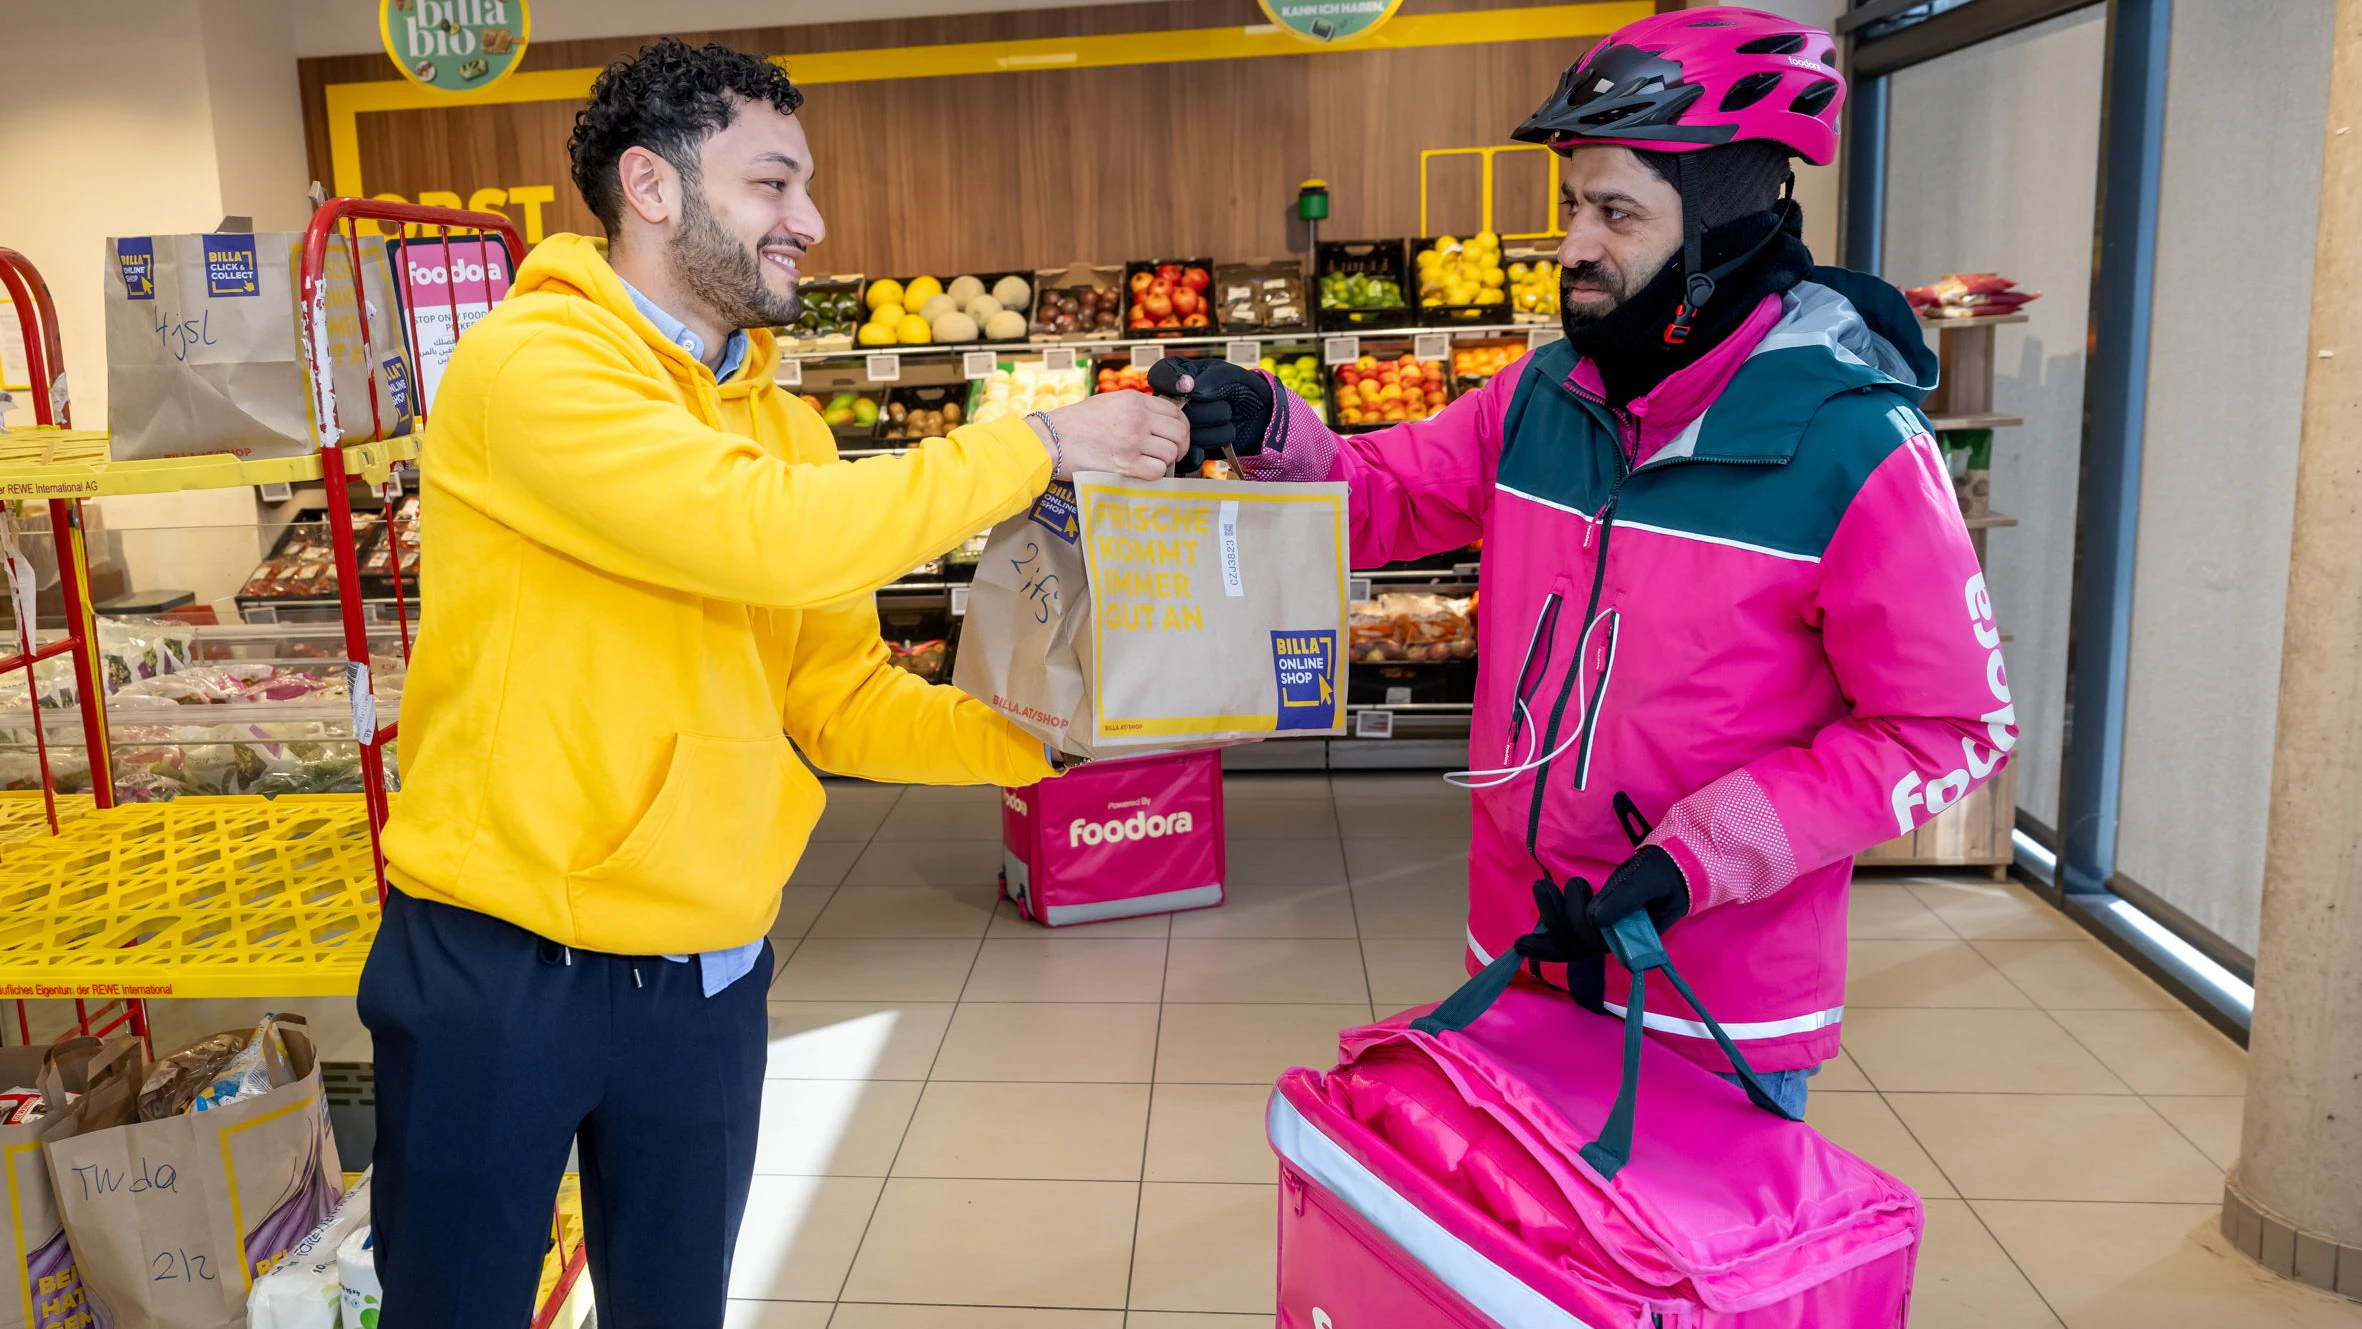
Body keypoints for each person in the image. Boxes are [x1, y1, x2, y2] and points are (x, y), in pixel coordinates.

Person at [359, 39, 1188, 1329]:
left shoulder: (781, 424)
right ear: (650, 186)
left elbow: (831, 694)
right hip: (504, 958)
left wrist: (1045, 742)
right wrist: (1032, 445)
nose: (809, 220)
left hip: (705, 968)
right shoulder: (532, 367)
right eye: (771, 183)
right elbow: (762, 533)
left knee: (676, 1307)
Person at [1153, 8, 2014, 1114]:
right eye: (1572, 207)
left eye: (1616, 212)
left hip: (1708, 990)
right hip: (1520, 943)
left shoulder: (1856, 447)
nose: (1572, 247)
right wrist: (1269, 421)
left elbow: (1950, 726)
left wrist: (1705, 853)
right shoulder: (1542, 394)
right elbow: (1380, 501)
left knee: (1663, 1282)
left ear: (1723, 226)